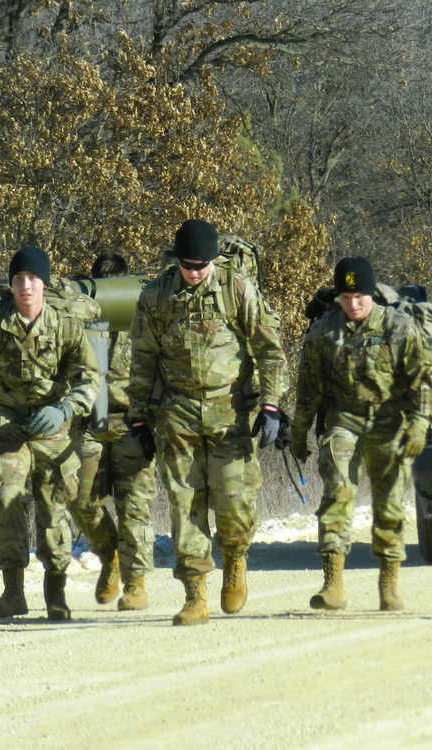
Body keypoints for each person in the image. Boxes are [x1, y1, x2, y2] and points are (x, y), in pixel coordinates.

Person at [127, 219, 287, 626]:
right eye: (187, 265)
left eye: (201, 265)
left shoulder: (237, 290)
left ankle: (235, 559)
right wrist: (138, 418)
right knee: (185, 504)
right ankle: (194, 594)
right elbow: (143, 360)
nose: (194, 273)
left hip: (229, 409)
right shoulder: (156, 296)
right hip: (177, 412)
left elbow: (269, 351)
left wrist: (270, 406)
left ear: (213, 261)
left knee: (234, 500)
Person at [0, 245, 100, 621]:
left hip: (53, 429)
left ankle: (56, 596)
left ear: (44, 283)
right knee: (6, 499)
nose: (25, 286)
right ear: (11, 284)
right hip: (7, 425)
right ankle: (13, 592)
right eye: (18, 279)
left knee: (54, 507)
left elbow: (89, 379)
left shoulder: (65, 325)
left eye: (32, 278)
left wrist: (64, 408)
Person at [289, 257, 432, 612]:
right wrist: (299, 430)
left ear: (371, 294)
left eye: (359, 296)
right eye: (345, 297)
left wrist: (419, 425)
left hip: (391, 421)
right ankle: (333, 583)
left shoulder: (398, 328)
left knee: (388, 502)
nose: (353, 304)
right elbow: (309, 387)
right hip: (344, 420)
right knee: (338, 489)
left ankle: (389, 583)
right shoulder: (323, 332)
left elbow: (423, 381)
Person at [69, 251, 158, 611]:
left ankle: (136, 583)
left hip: (131, 423)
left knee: (133, 506)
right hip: (91, 423)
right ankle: (111, 558)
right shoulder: (78, 321)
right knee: (80, 498)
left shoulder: (145, 317)